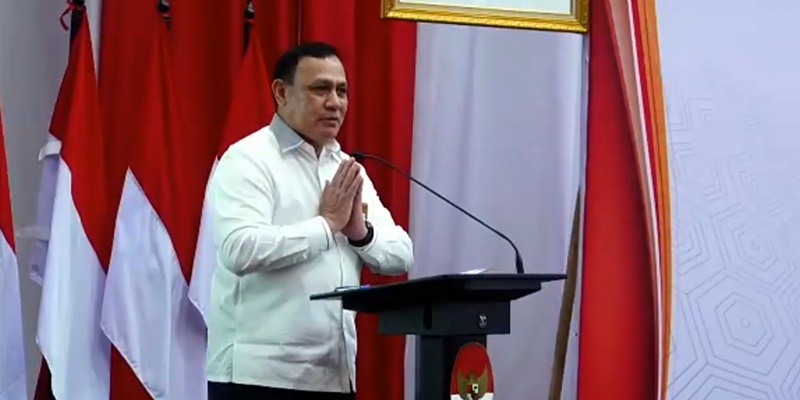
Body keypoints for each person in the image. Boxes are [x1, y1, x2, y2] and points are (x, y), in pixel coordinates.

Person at [205, 41, 414, 400]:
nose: (335, 102)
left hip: (334, 373)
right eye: (320, 89)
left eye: (342, 91)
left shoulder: (346, 168)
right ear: (281, 92)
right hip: (258, 379)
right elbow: (240, 250)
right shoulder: (248, 159)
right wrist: (326, 226)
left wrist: (360, 234)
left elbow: (401, 255)